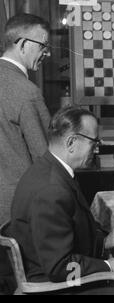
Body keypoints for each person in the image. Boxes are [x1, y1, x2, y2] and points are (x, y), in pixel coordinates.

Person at [6, 107, 114, 294]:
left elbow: (69, 236)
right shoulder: (51, 190)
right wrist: (108, 266)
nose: (96, 149)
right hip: (55, 287)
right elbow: (59, 268)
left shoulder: (49, 169)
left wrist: (104, 243)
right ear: (71, 142)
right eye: (94, 142)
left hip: (55, 272)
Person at [0, 13, 52, 226]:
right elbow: (46, 158)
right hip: (18, 212)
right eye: (43, 46)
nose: (46, 53)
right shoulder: (27, 92)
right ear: (22, 44)